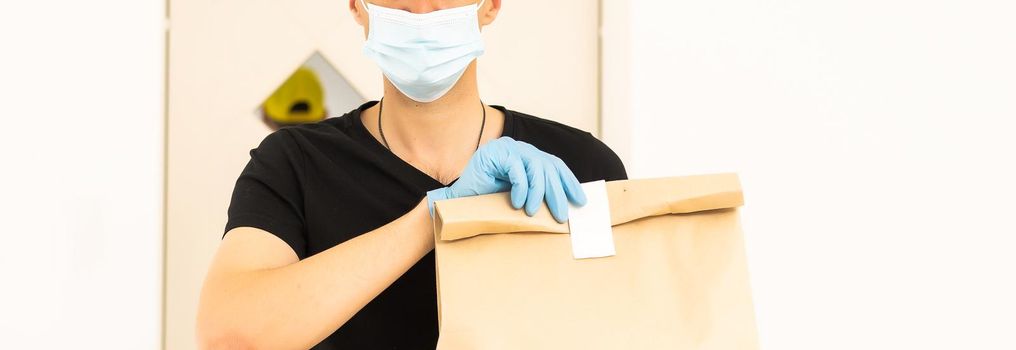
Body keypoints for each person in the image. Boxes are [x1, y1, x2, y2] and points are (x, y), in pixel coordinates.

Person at [196, 0, 627, 348]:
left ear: (491, 5)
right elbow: (229, 335)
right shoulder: (295, 163)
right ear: (356, 7)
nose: (422, 11)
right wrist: (435, 217)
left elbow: (626, 325)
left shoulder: (581, 165)